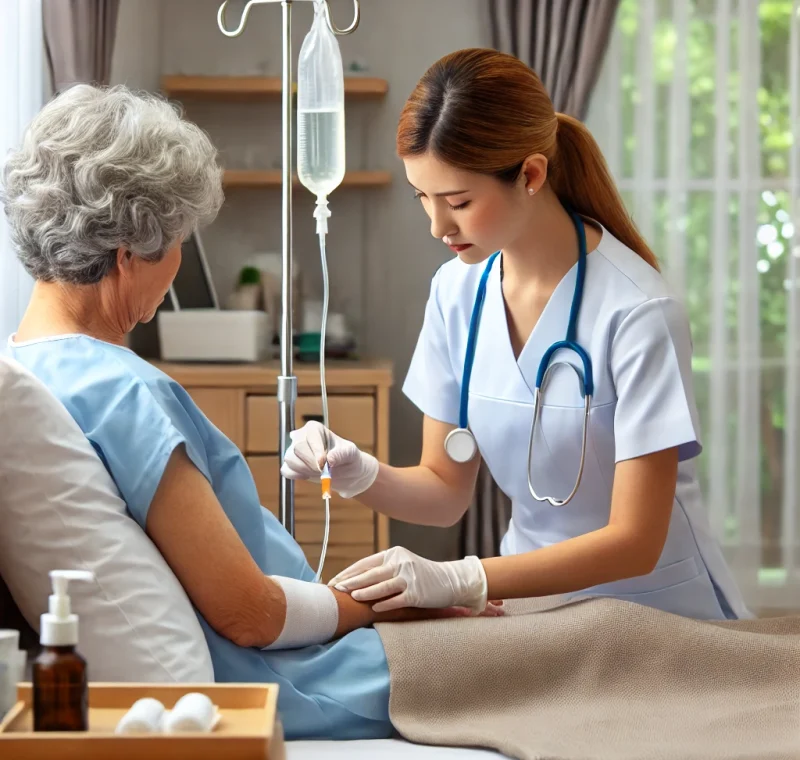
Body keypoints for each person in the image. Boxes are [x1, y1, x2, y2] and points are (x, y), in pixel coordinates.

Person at [1, 83, 499, 741]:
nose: (177, 264)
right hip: (306, 677)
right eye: (179, 240)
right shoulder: (122, 392)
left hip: (304, 651)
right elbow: (249, 613)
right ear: (129, 254)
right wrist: (392, 608)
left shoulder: (29, 368)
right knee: (600, 642)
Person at [282, 48, 750, 622]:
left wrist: (464, 577)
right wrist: (358, 473)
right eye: (423, 198)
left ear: (530, 174)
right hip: (530, 613)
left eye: (458, 201)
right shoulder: (456, 293)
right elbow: (444, 490)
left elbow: (635, 540)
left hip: (657, 617)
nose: (437, 226)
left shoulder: (638, 310)